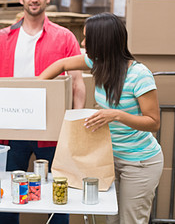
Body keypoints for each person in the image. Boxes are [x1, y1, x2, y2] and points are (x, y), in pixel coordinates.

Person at [0, 0, 85, 224]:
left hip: (50, 133)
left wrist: (71, 127)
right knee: (8, 197)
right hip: (12, 131)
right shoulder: (3, 38)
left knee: (56, 196)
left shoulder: (64, 38)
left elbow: (76, 82)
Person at [38, 12, 163, 224]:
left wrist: (116, 115)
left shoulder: (139, 75)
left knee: (130, 221)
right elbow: (60, 65)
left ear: (103, 42)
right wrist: (33, 90)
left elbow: (154, 122)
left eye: (88, 38)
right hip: (107, 159)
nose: (83, 42)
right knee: (111, 220)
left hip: (140, 163)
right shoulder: (97, 62)